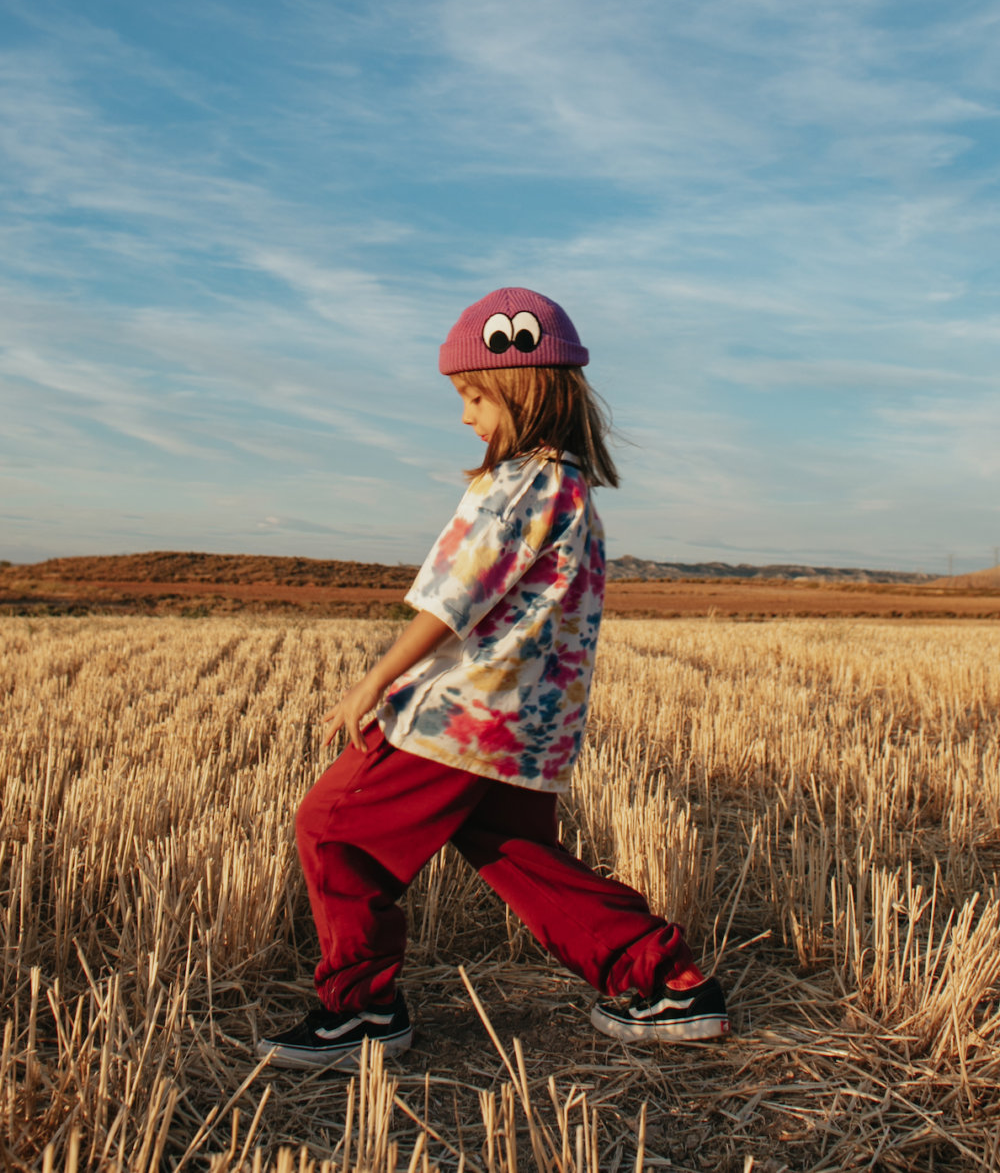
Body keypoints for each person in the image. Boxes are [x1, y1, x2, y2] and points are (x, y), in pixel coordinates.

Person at [257, 287, 728, 1067]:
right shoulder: (571, 487)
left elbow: (456, 596)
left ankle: (361, 1011)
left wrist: (374, 680)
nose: (466, 415)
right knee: (520, 856)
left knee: (333, 826)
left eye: (475, 395)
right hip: (530, 725)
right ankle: (664, 980)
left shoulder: (523, 483)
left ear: (525, 388)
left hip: (467, 714)